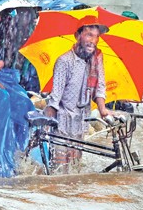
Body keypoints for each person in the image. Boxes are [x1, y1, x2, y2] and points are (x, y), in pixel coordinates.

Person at [43, 23, 112, 166]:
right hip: (62, 121)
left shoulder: (97, 59)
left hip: (81, 120)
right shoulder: (64, 61)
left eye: (97, 37)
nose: (93, 41)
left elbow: (100, 86)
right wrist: (44, 126)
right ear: (77, 36)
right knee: (60, 168)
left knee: (76, 168)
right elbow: (55, 96)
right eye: (89, 35)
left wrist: (103, 110)